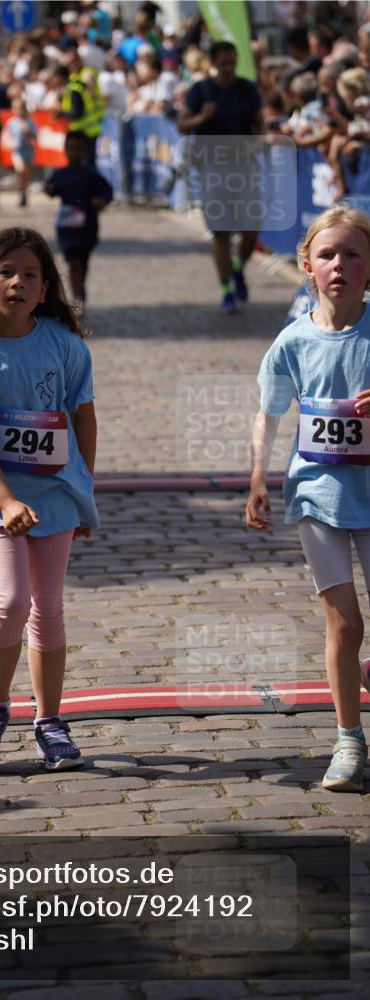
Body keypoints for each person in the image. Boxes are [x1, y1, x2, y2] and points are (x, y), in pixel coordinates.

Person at [0, 227, 99, 770]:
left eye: (31, 274)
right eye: (5, 271)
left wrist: (82, 493)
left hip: (54, 499)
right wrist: (4, 501)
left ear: (47, 286)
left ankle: (50, 721)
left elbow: (83, 419)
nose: (18, 282)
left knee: (48, 608)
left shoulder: (67, 346)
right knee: (11, 601)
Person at [246, 204, 370, 792]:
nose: (339, 265)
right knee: (344, 626)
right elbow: (267, 414)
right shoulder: (293, 341)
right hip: (318, 493)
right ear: (306, 266)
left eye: (352, 254)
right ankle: (349, 740)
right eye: (327, 255)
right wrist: (257, 479)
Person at [177, 40, 263, 314]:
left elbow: (259, 123)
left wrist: (257, 142)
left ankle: (238, 269)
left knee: (251, 230)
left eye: (232, 62)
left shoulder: (247, 89)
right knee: (222, 233)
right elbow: (182, 124)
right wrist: (202, 116)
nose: (228, 68)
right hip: (212, 169)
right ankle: (226, 289)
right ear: (213, 63)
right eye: (223, 63)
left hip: (243, 166)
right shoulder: (201, 90)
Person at [44, 130, 113, 312]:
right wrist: (50, 189)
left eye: (79, 149)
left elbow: (107, 192)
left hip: (87, 226)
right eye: (71, 148)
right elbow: (49, 187)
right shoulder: (60, 173)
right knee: (74, 262)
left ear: (86, 151)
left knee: (82, 262)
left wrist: (101, 201)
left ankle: (80, 294)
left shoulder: (91, 174)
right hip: (67, 227)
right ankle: (77, 302)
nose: (75, 152)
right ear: (65, 150)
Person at [58, 43, 106, 168]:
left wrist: (62, 114)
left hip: (89, 128)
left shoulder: (87, 72)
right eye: (68, 63)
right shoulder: (73, 77)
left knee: (88, 165)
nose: (70, 65)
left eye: (73, 61)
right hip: (79, 129)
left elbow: (89, 80)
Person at [5, 98, 38, 208]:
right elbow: (6, 136)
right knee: (21, 170)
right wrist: (10, 142)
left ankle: (24, 194)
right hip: (17, 150)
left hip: (28, 150)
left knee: (26, 175)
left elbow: (35, 137)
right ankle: (21, 190)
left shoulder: (30, 122)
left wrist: (28, 132)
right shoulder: (11, 122)